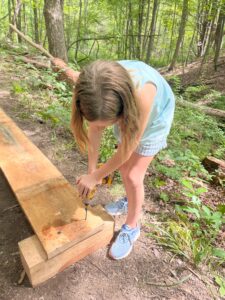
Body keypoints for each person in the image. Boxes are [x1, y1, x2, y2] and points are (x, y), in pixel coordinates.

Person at [55, 59, 175, 260]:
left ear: (122, 112)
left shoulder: (143, 94)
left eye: (110, 124)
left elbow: (128, 147)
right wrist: (93, 172)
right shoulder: (90, 88)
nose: (103, 128)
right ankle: (130, 201)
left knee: (133, 176)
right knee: (123, 168)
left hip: (155, 119)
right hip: (129, 112)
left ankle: (132, 226)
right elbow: (95, 128)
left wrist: (96, 176)